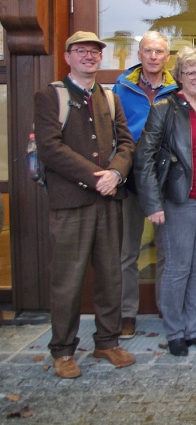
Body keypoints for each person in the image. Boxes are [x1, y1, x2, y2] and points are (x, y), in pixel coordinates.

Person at [35, 31, 136, 378]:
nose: (89, 57)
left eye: (94, 52)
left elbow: (126, 144)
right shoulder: (51, 96)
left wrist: (116, 174)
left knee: (110, 275)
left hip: (109, 199)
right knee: (68, 279)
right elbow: (50, 148)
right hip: (71, 202)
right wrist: (98, 176)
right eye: (81, 51)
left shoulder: (110, 97)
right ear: (68, 56)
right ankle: (63, 349)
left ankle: (107, 341)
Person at [136, 47, 196, 356]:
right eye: (192, 73)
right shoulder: (165, 108)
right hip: (178, 200)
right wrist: (152, 204)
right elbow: (144, 157)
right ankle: (175, 331)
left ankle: (195, 328)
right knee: (177, 268)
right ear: (180, 77)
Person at [113, 30, 179, 338]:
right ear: (139, 55)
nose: (153, 56)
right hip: (130, 178)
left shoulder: (175, 89)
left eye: (159, 52)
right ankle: (127, 313)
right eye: (148, 51)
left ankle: (167, 309)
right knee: (128, 251)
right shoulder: (121, 89)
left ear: (167, 57)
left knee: (167, 250)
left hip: (164, 177)